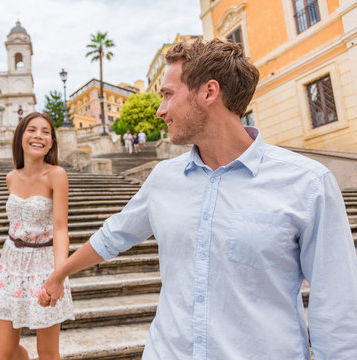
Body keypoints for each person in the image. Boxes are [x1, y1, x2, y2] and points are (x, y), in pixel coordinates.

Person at [40, 39, 357, 359]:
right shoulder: (164, 179)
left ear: (208, 92)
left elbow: (337, 307)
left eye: (167, 94)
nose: (160, 110)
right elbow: (113, 236)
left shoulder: (308, 183)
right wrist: (59, 274)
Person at [0, 111, 74, 360]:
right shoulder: (11, 178)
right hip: (11, 264)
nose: (39, 136)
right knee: (5, 352)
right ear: (21, 136)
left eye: (46, 132)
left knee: (47, 353)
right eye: (32, 130)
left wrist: (58, 275)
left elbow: (60, 228)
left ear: (52, 141)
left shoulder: (56, 175)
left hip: (44, 263)